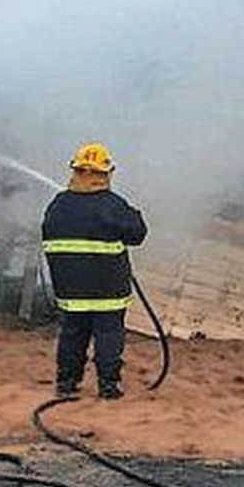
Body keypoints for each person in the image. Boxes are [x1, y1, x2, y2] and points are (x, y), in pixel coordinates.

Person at [41, 142, 148, 400]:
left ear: (76, 171)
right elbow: (138, 234)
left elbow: (49, 237)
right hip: (108, 290)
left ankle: (67, 383)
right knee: (109, 335)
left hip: (71, 289)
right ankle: (108, 386)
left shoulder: (59, 204)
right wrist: (134, 214)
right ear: (105, 174)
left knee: (72, 335)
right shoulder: (113, 205)